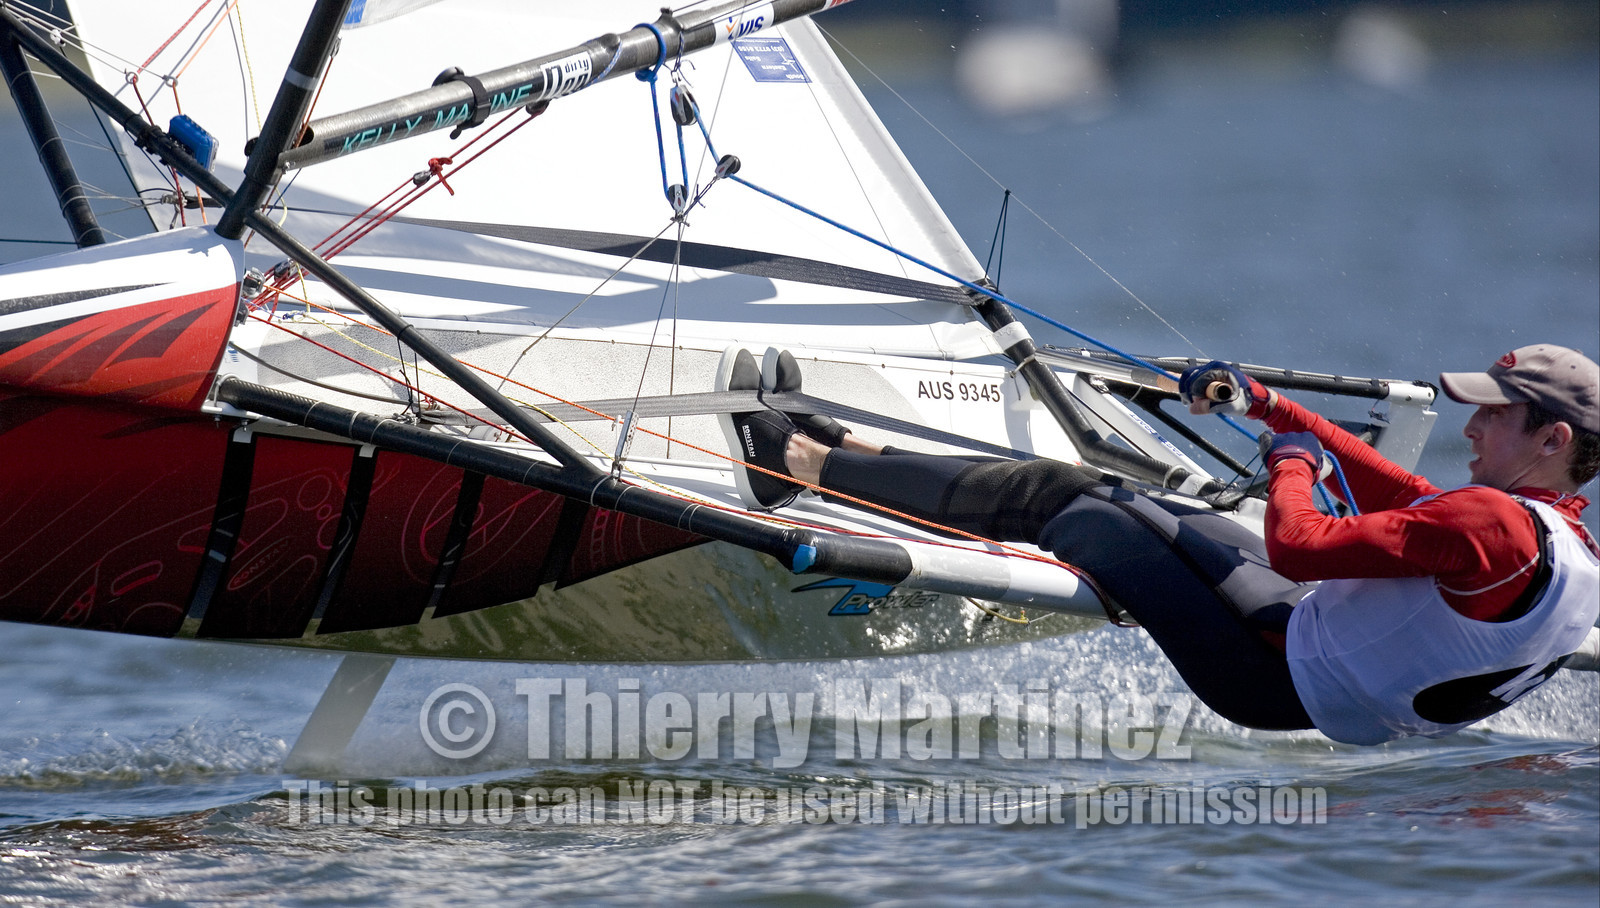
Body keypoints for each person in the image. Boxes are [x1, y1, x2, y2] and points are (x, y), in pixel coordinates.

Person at [718, 345, 1600, 745]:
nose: (1472, 425)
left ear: (1553, 439)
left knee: (1065, 501)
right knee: (1117, 497)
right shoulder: (1572, 549)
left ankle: (795, 464)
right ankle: (847, 449)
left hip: (1266, 671)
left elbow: (1299, 544)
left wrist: (1291, 461)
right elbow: (1404, 493)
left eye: (1496, 413)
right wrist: (1268, 407)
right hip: (1307, 662)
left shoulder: (1494, 524)